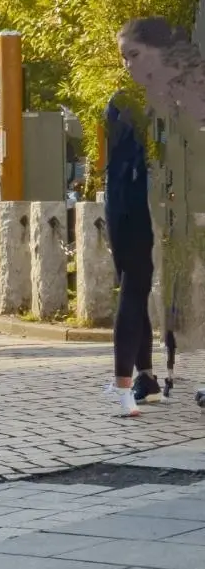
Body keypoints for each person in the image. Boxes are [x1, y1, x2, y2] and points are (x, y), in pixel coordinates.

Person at [104, 92, 159, 417]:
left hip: (127, 220)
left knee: (133, 296)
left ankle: (133, 384)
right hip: (150, 221)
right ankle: (138, 382)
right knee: (136, 297)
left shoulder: (117, 163)